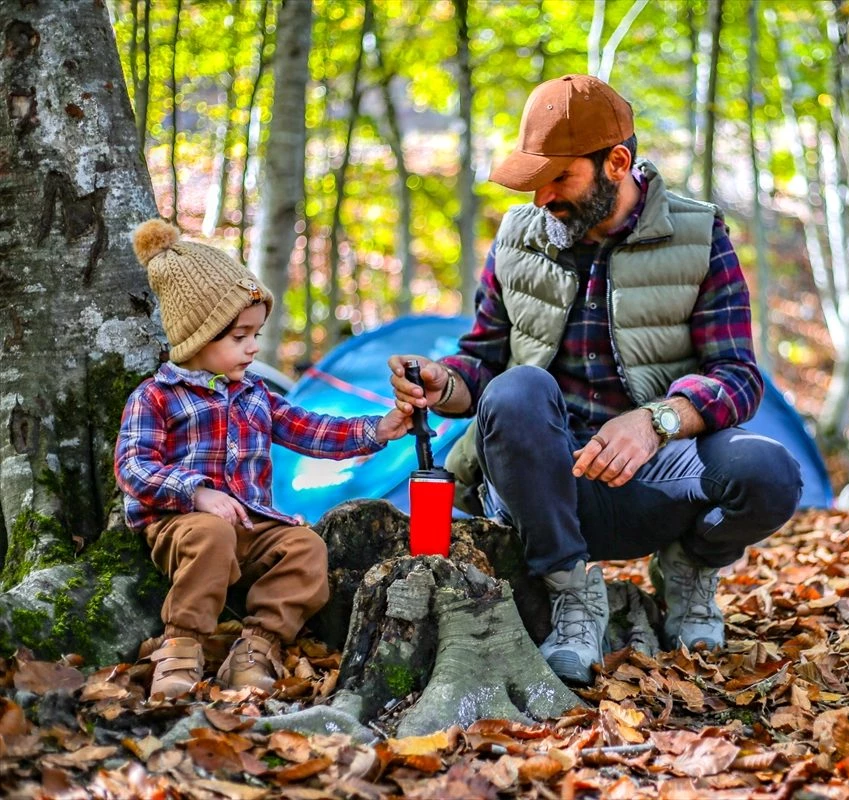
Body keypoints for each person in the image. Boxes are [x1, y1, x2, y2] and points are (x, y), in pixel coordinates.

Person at [388, 75, 803, 686]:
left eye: (560, 178)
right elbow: (480, 365)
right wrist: (440, 382)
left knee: (770, 472)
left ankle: (689, 569)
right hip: (540, 488)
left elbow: (738, 379)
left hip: (657, 478)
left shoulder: (699, 234)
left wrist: (658, 421)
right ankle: (572, 593)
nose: (542, 199)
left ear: (617, 162)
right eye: (535, 181)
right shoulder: (517, 239)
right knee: (517, 388)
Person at [115, 220, 410, 700]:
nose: (253, 347)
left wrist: (375, 429)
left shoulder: (254, 393)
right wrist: (196, 491)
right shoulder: (156, 397)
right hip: (184, 526)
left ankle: (257, 645)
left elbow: (307, 428)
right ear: (197, 337)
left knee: (305, 547)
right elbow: (133, 467)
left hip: (251, 526)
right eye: (239, 336)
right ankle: (182, 646)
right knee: (210, 534)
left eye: (256, 333)